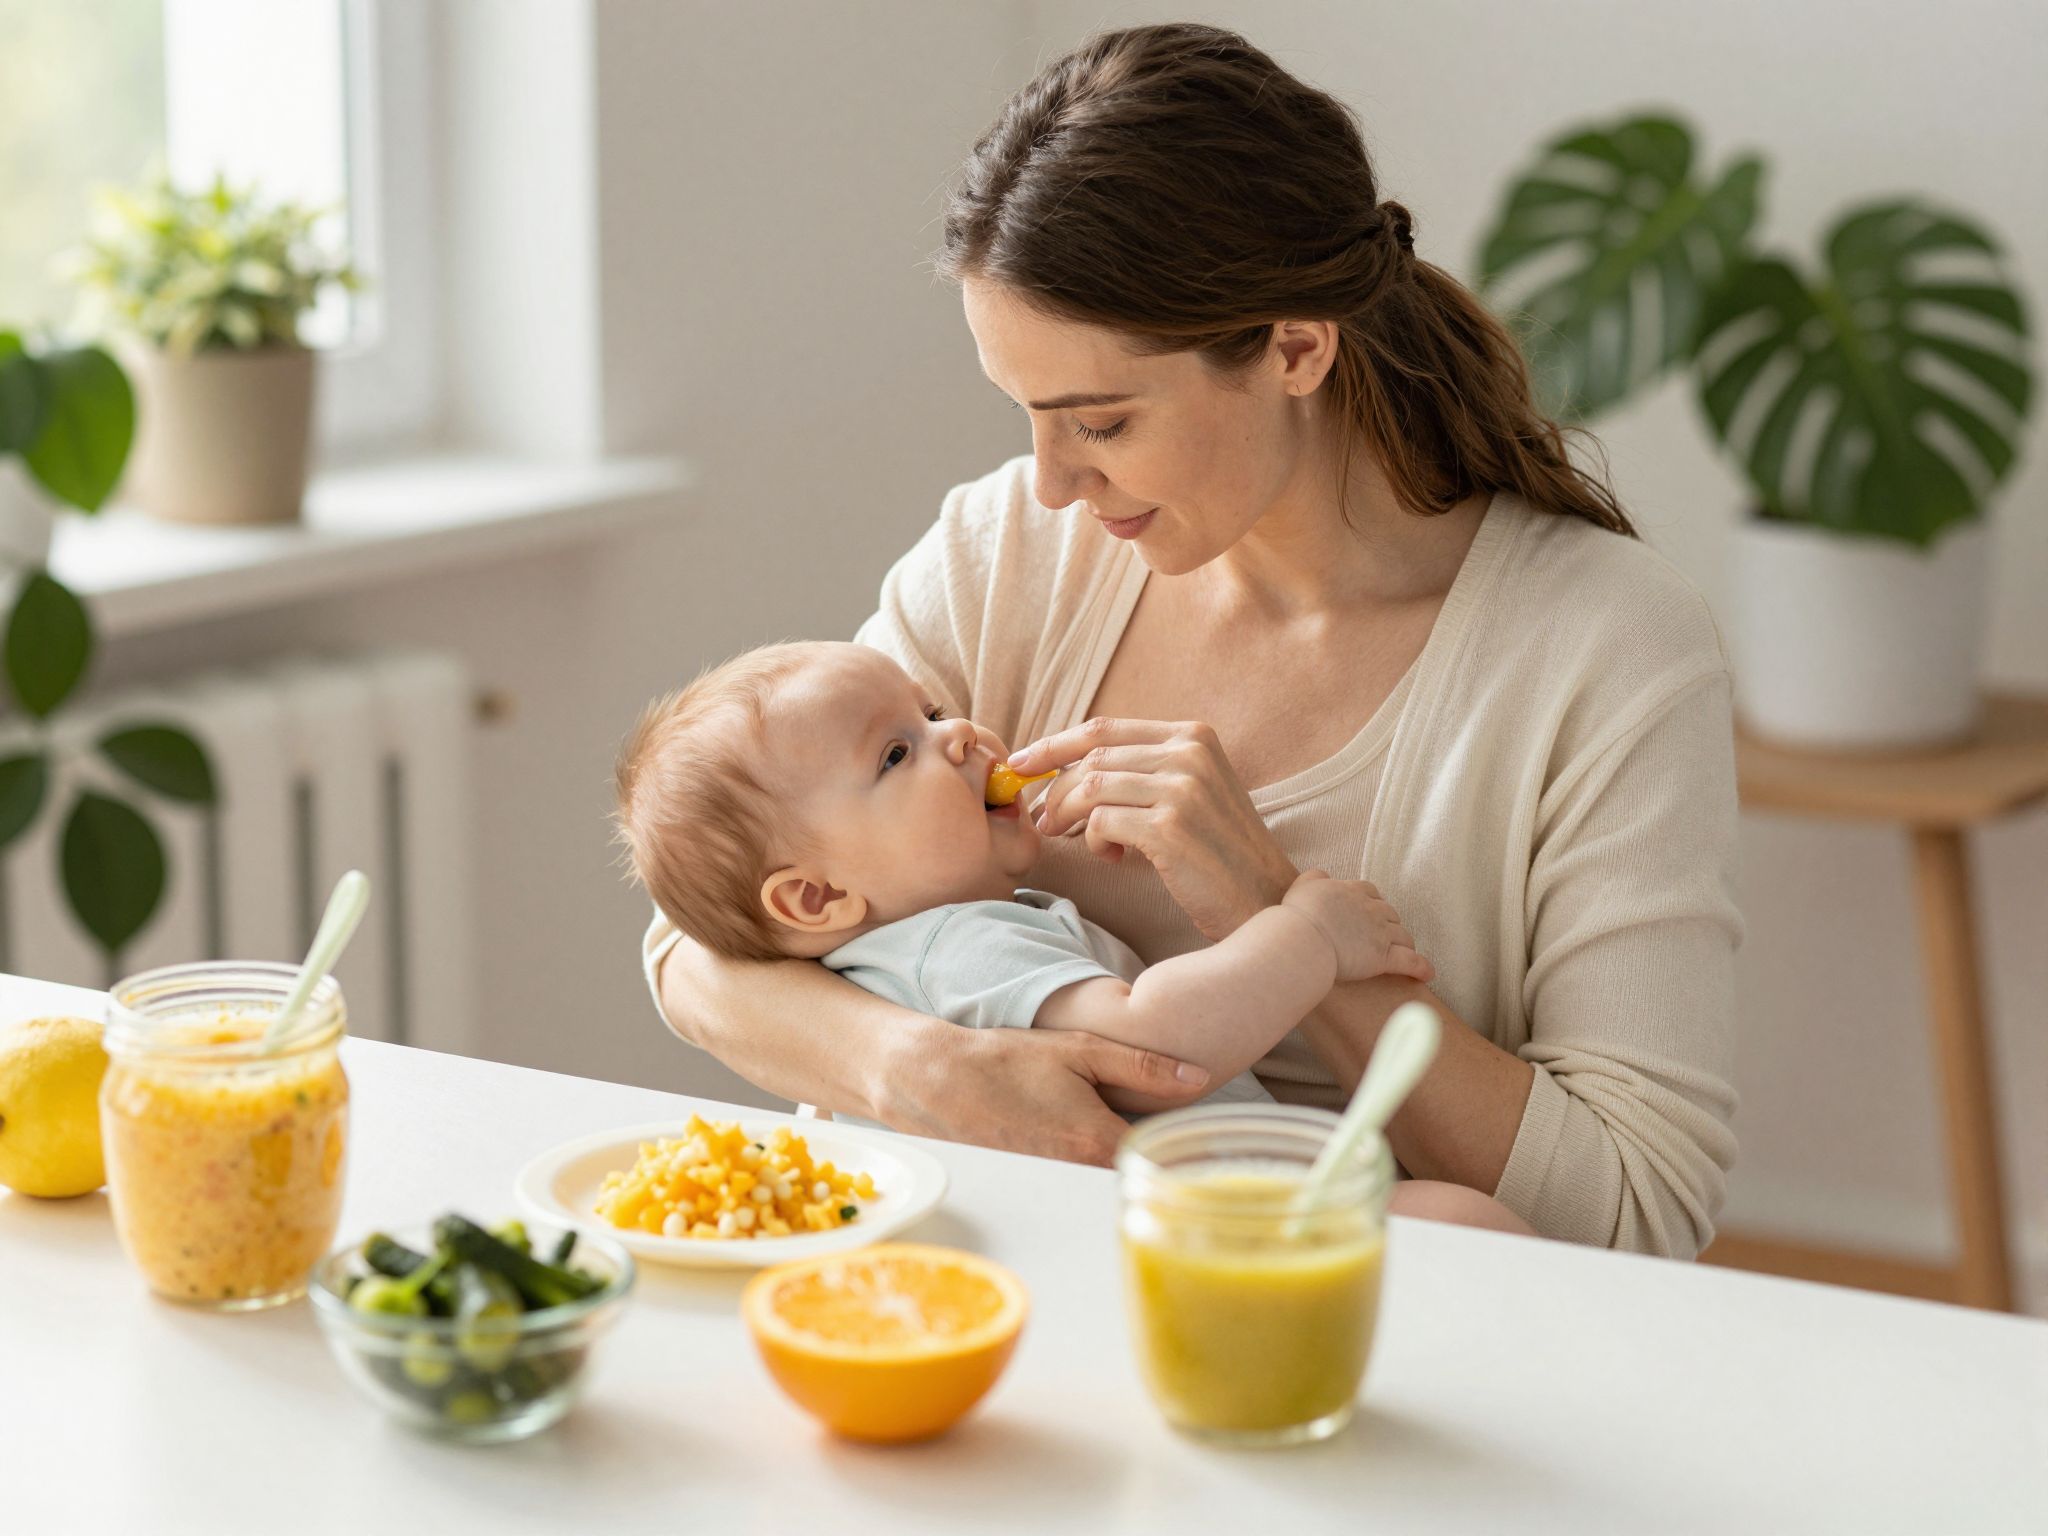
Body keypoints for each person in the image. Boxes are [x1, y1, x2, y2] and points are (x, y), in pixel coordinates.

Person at [645, 23, 1740, 1257]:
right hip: (961, 1280)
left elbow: (1635, 1215)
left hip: (1335, 1319)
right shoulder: (1011, 550)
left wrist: (1273, 911)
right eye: (1028, 419)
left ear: (1293, 346)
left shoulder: (1606, 652)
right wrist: (922, 1067)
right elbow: (701, 933)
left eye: (1100, 422)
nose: (1051, 484)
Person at [616, 640, 1438, 1124]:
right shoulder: (955, 949)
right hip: (1209, 1233)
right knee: (1450, 1221)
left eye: (931, 713)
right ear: (818, 898)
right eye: (897, 753)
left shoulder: (925, 944)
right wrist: (1310, 934)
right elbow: (1152, 1047)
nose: (961, 736)